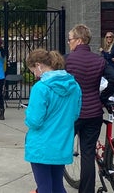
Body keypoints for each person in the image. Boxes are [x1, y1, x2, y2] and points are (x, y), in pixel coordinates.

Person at [65, 24, 114, 193]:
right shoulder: (99, 60)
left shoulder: (68, 60)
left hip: (73, 113)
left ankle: (52, 186)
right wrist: (102, 97)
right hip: (94, 112)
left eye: (70, 39)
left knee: (60, 148)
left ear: (79, 40)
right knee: (88, 154)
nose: (69, 43)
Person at [25, 48, 82, 193]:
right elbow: (75, 114)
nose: (35, 75)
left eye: (33, 70)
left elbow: (34, 121)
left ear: (38, 65)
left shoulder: (41, 88)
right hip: (62, 143)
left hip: (41, 145)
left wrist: (28, 114)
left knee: (44, 187)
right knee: (58, 186)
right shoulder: (74, 86)